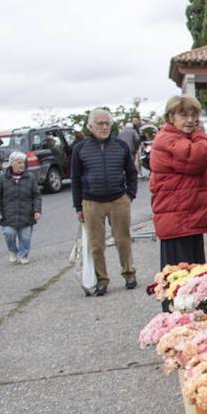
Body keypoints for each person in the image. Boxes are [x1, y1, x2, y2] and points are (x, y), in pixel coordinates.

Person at [71, 107, 138, 296]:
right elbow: (75, 179)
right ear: (90, 126)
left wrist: (129, 195)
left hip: (118, 200)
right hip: (91, 202)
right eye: (100, 123)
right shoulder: (80, 149)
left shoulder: (121, 146)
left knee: (123, 239)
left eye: (107, 123)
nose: (104, 127)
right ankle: (102, 279)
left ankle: (129, 273)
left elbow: (131, 173)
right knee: (96, 244)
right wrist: (78, 206)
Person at [149, 96, 207, 270]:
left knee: (193, 278)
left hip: (186, 218)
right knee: (181, 280)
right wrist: (201, 134)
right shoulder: (169, 139)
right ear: (170, 117)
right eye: (183, 115)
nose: (190, 120)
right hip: (179, 220)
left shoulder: (181, 138)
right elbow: (200, 156)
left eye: (193, 115)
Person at [0, 152, 41, 264]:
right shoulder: (2, 177)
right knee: (9, 233)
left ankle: (23, 255)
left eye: (23, 162)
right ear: (12, 163)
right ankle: (12, 251)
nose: (22, 165)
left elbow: (37, 195)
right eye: (19, 162)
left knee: (25, 237)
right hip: (8, 214)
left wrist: (37, 210)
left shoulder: (30, 177)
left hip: (27, 213)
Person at [118, 113, 145, 178]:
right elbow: (137, 139)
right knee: (132, 161)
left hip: (122, 149)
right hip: (132, 149)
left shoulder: (121, 131)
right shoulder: (133, 131)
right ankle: (133, 174)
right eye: (133, 121)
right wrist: (136, 147)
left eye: (136, 121)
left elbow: (118, 139)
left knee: (124, 161)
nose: (134, 122)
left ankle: (125, 173)